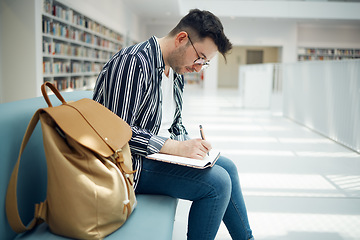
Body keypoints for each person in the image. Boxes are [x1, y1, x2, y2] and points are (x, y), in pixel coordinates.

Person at [93, 9, 254, 240]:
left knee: (227, 167)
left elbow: (174, 124)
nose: (198, 68)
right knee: (217, 184)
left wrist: (190, 146)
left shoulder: (176, 71)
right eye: (199, 59)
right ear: (181, 39)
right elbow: (116, 134)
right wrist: (176, 148)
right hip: (126, 165)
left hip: (154, 157)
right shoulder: (134, 63)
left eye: (204, 63)